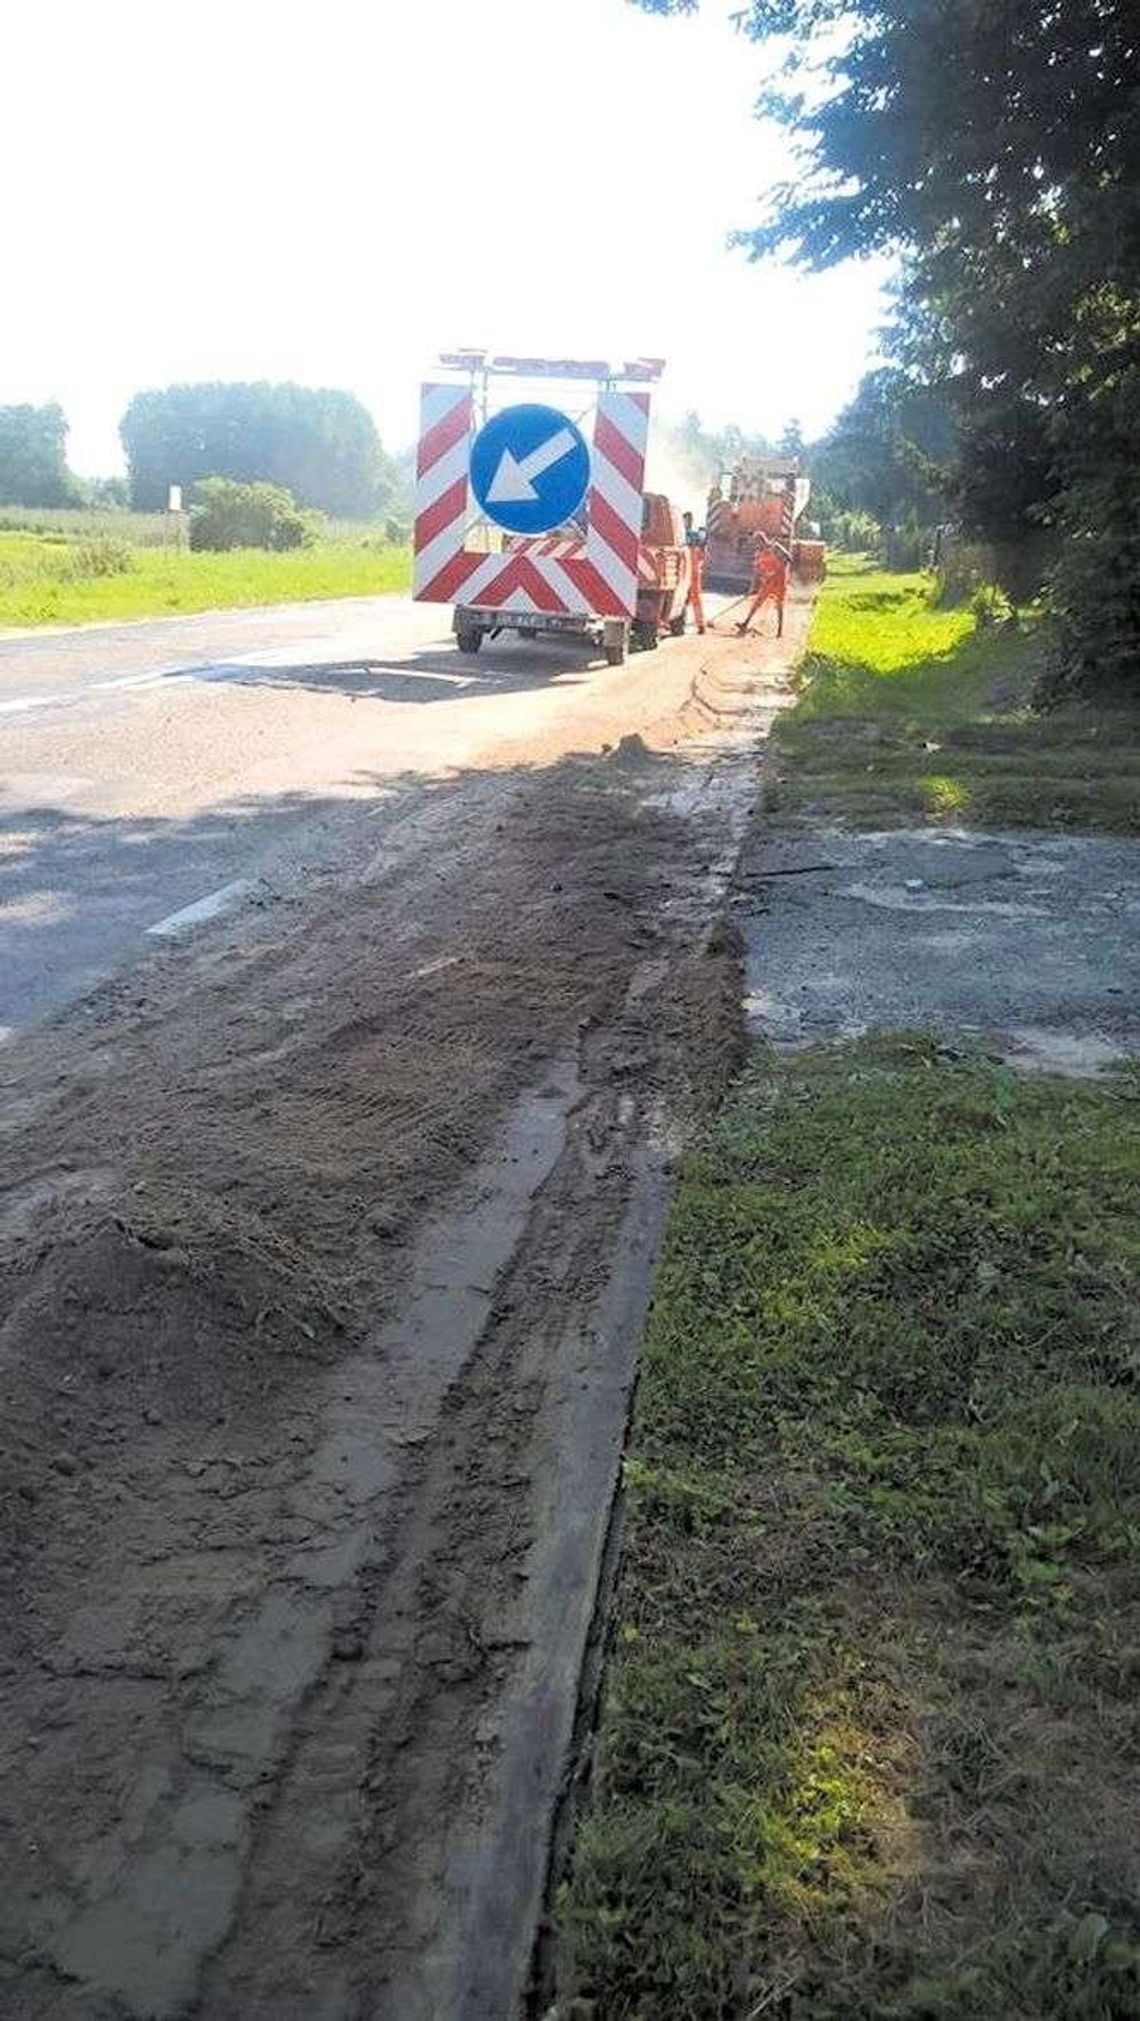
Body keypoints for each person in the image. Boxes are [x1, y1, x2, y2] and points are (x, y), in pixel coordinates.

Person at [737, 531, 791, 638]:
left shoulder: (775, 547)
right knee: (757, 603)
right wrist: (752, 587)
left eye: (757, 542)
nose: (756, 545)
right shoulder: (758, 554)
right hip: (767, 582)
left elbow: (788, 558)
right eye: (755, 542)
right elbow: (756, 572)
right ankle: (745, 623)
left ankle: (779, 631)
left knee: (779, 605)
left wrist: (780, 567)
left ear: (762, 540)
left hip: (780, 580)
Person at [682, 511, 706, 633]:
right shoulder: (697, 536)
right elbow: (703, 554)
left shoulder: (683, 535)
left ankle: (699, 624)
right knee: (692, 598)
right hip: (692, 569)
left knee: (687, 597)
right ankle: (700, 624)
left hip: (687, 570)